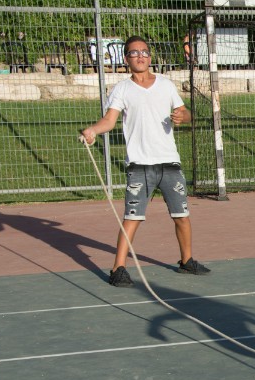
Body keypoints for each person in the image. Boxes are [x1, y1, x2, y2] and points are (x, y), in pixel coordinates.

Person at [81, 35, 210, 288]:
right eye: (133, 53)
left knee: (181, 215)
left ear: (150, 57)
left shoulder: (166, 85)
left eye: (144, 52)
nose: (140, 56)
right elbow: (109, 121)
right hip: (139, 166)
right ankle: (118, 268)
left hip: (169, 163)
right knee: (132, 218)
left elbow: (186, 113)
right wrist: (92, 131)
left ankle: (187, 261)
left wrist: (184, 117)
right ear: (126, 59)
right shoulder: (122, 89)